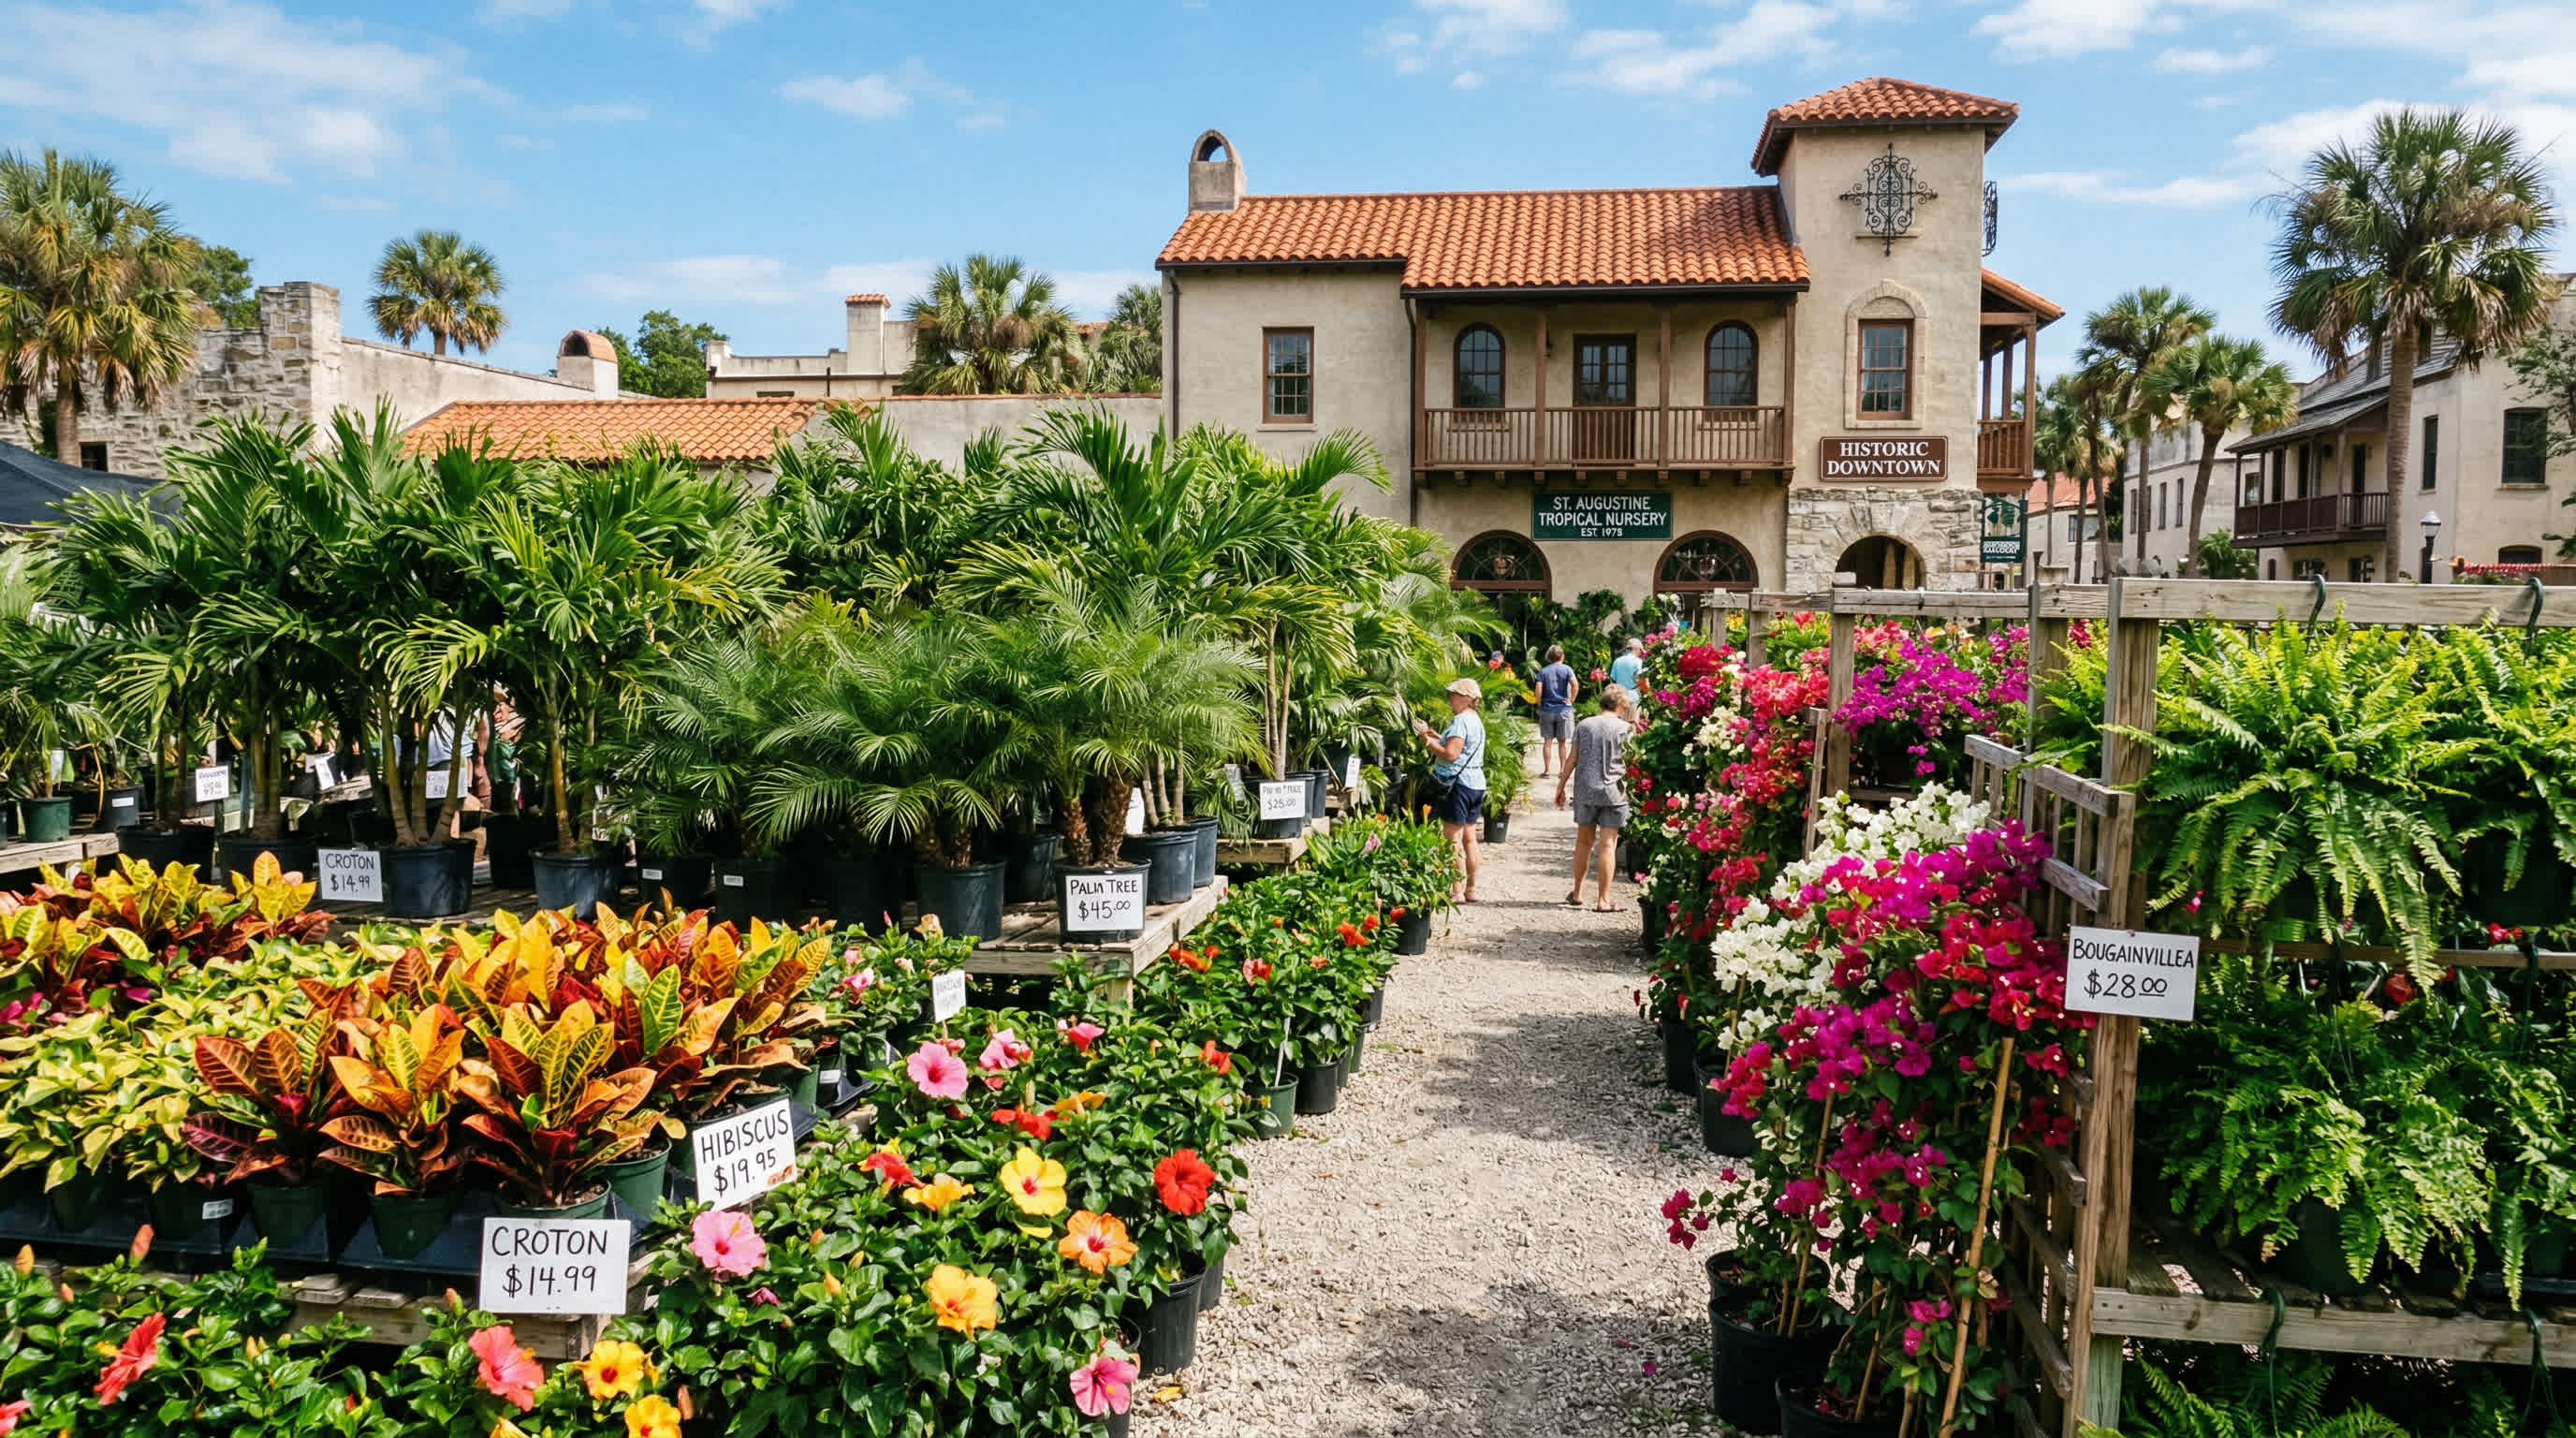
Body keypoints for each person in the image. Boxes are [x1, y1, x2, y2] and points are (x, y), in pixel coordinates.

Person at [1559, 685, 1633, 911]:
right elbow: (1633, 762)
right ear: (1620, 705)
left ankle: (1578, 893)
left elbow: (1571, 760)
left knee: (1583, 842)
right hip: (1615, 792)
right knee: (1608, 845)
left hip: (1586, 790)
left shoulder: (1584, 725)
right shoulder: (1626, 729)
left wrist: (1560, 786)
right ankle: (1603, 900)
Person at [1413, 677, 1487, 903]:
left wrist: (1425, 740)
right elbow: (1462, 748)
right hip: (1475, 783)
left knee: (1452, 838)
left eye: (1454, 694)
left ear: (1466, 698)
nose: (1450, 698)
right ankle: (1472, 889)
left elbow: (1451, 754)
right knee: (1470, 839)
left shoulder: (1460, 721)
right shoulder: (1475, 720)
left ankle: (1456, 890)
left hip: (1458, 785)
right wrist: (1439, 737)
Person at [1533, 644, 1578, 778]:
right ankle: (1562, 770)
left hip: (1547, 709)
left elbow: (1538, 688)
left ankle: (1547, 771)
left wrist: (1539, 702)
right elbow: (1575, 685)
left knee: (1547, 741)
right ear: (1562, 656)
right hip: (1564, 709)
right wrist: (1571, 699)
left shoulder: (1543, 671)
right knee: (1562, 743)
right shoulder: (1567, 669)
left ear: (1549, 657)